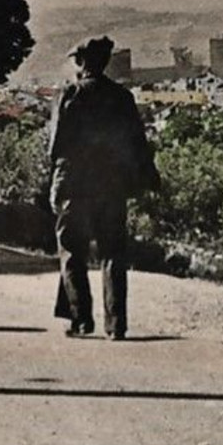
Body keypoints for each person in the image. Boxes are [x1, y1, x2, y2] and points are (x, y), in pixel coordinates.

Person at [37, 36, 158, 340]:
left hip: (74, 185)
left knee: (72, 252)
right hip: (112, 185)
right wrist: (146, 179)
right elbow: (138, 145)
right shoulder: (122, 97)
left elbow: (55, 147)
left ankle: (80, 320)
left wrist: (55, 183)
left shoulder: (69, 95)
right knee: (113, 253)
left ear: (80, 63)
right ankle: (116, 325)